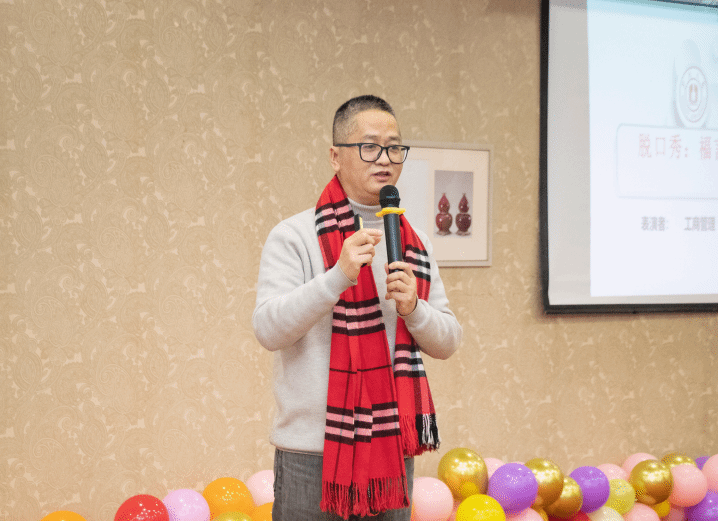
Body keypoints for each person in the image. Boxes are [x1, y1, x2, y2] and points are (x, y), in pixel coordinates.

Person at [252, 95, 462, 520]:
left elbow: (448, 341)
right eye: (369, 147)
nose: (384, 159)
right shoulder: (294, 235)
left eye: (394, 147)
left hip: (390, 449)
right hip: (311, 455)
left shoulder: (414, 242)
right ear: (336, 156)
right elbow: (268, 330)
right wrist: (338, 276)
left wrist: (414, 309)